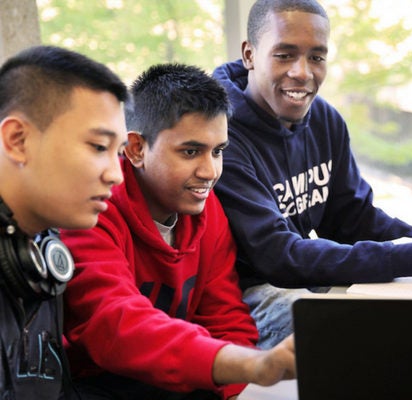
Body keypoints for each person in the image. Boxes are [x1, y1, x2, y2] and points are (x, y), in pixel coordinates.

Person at [212, 0, 412, 349]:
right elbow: (277, 255)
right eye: (284, 54)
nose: (303, 72)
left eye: (317, 57)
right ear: (249, 55)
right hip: (246, 291)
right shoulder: (221, 135)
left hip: (301, 273)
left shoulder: (324, 119)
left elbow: (352, 218)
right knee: (355, 338)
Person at [59, 63, 295, 400]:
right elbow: (115, 325)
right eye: (190, 151)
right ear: (136, 148)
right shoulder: (91, 209)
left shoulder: (205, 207)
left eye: (218, 151)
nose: (210, 171)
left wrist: (222, 384)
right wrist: (247, 365)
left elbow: (226, 317)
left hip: (183, 377)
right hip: (97, 383)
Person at [0, 45, 128, 399]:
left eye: (118, 154)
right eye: (98, 147)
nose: (117, 175)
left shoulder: (41, 255)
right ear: (18, 140)